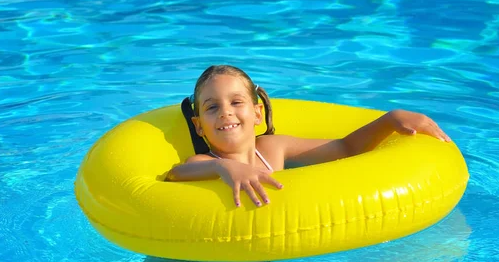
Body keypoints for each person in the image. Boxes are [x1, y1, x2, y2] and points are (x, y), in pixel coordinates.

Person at [165, 65, 451, 207]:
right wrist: (222, 166)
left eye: (236, 102)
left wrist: (389, 120)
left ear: (257, 114)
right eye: (212, 107)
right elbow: (177, 174)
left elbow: (346, 147)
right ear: (199, 126)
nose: (225, 113)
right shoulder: (207, 160)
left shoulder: (273, 149)